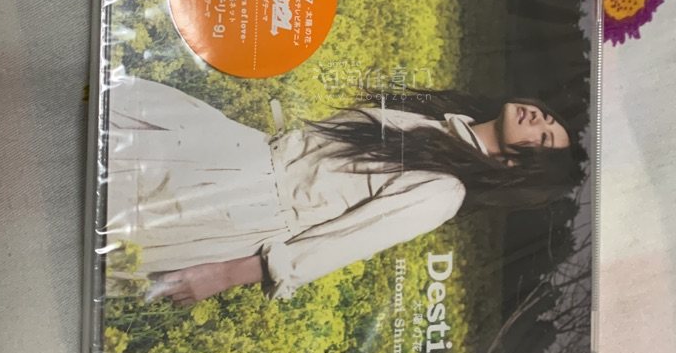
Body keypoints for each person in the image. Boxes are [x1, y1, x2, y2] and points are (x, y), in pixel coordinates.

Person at [104, 73, 582, 306]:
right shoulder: (439, 125)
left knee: (107, 209)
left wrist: (221, 275)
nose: (538, 120)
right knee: (112, 116)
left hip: (243, 206)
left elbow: (340, 244)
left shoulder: (444, 191)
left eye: (543, 138)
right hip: (244, 155)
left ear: (518, 168)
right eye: (547, 117)